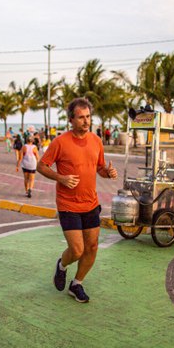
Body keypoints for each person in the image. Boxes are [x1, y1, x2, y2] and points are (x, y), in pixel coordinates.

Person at [37, 98, 118, 303]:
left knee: (91, 248)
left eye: (88, 116)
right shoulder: (60, 142)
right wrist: (60, 178)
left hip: (91, 203)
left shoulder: (96, 141)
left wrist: (108, 172)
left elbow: (99, 168)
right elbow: (42, 166)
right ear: (71, 119)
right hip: (68, 204)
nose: (86, 121)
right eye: (81, 117)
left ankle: (77, 284)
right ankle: (62, 265)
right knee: (77, 249)